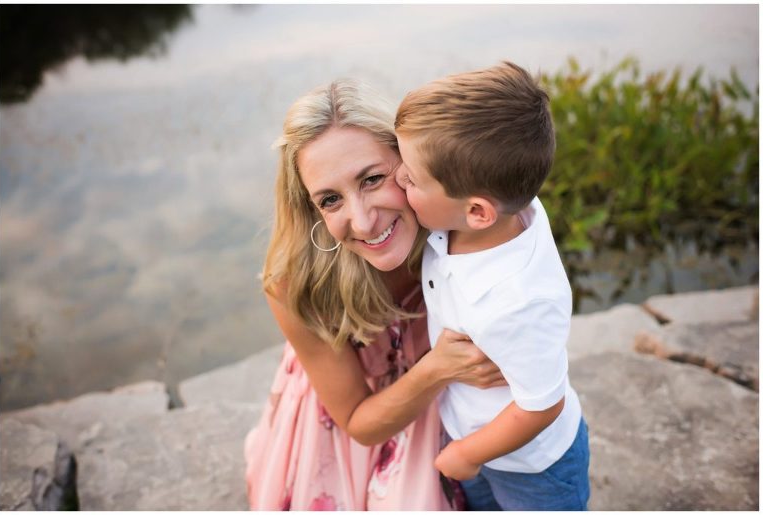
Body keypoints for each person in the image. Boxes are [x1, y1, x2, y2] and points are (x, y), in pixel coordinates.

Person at [243, 78, 508, 510]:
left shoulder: (458, 220)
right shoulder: (293, 283)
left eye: (371, 179)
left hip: (455, 398)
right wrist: (437, 369)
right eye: (330, 200)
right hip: (357, 423)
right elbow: (357, 422)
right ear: (310, 206)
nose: (363, 223)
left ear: (406, 159)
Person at [393, 61, 590, 510]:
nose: (399, 178)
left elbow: (542, 405)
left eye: (412, 177)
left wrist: (467, 453)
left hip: (533, 467)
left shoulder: (519, 300)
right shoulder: (497, 206)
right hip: (469, 429)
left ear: (478, 212)